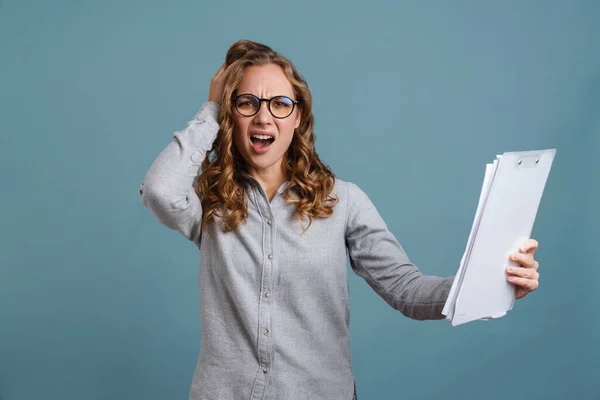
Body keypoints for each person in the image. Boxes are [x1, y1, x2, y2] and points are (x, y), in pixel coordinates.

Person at [139, 39, 541, 400]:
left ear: (298, 119)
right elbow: (159, 190)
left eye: (280, 104)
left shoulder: (343, 201)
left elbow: (408, 290)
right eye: (248, 103)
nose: (264, 118)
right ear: (232, 115)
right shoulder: (212, 203)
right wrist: (210, 109)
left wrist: (490, 284)